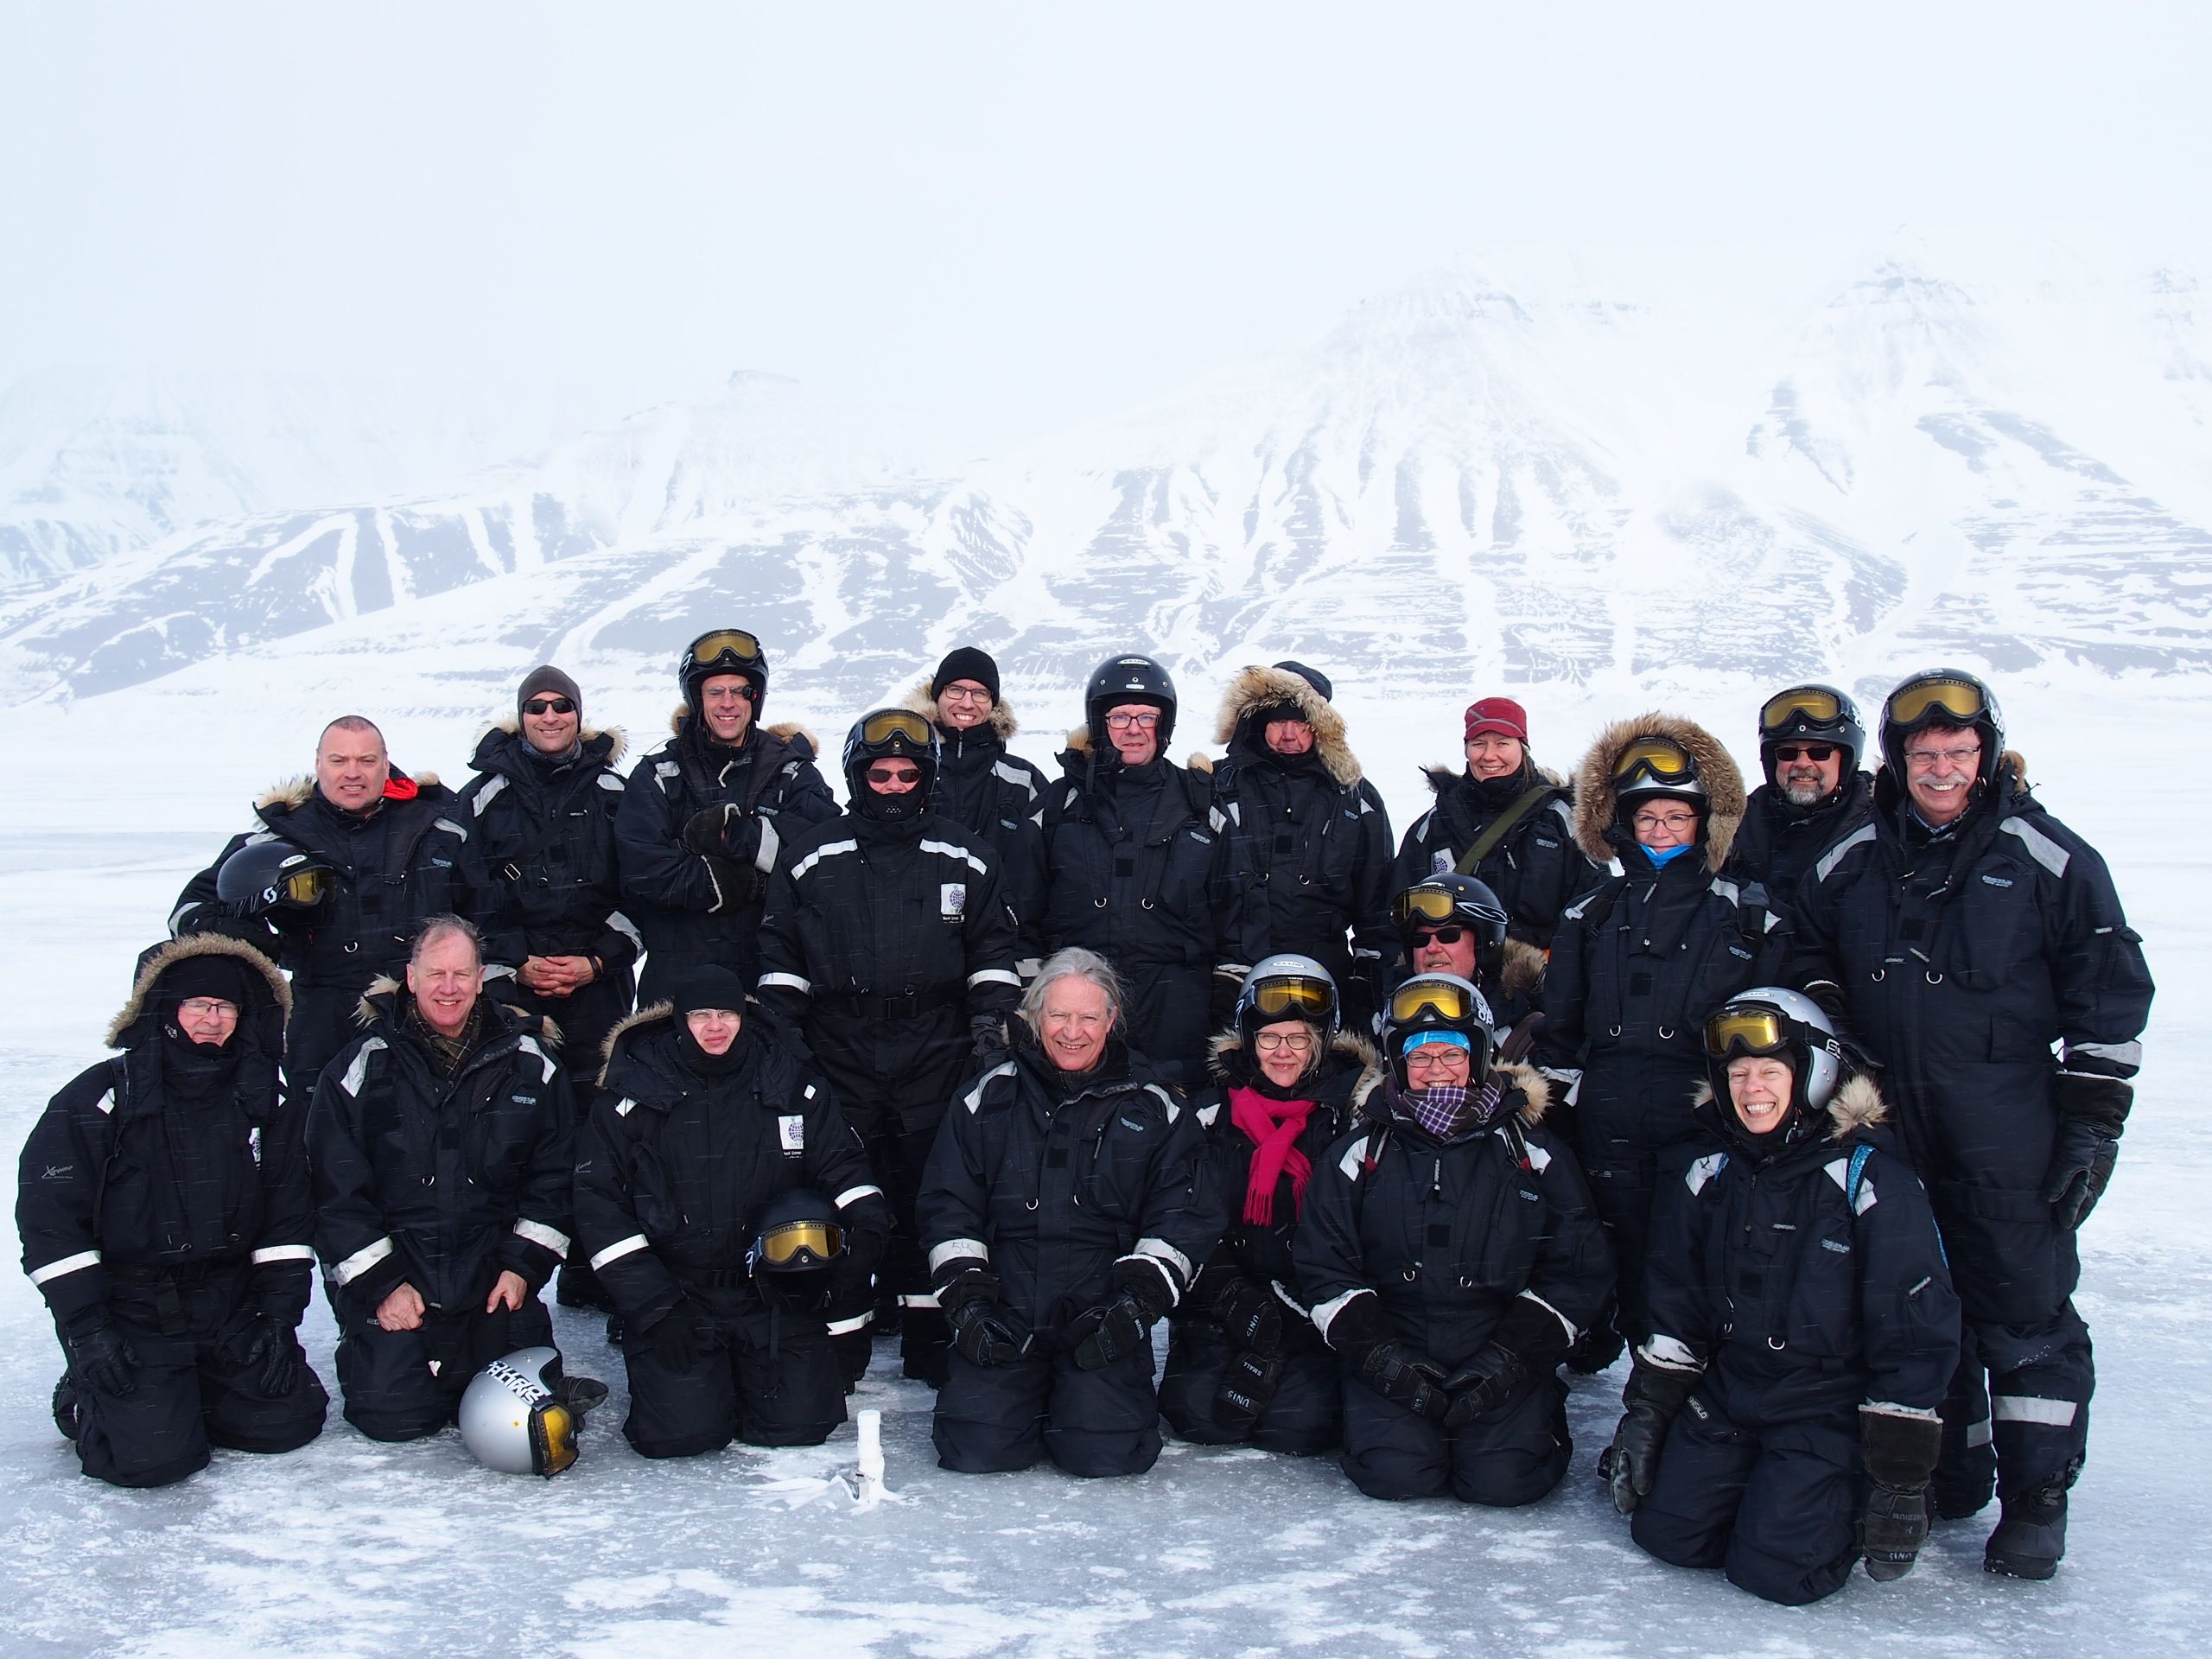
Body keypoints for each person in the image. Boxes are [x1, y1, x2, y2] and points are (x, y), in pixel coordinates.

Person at [1789, 670, 2152, 1578]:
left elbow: (2108, 994)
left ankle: (2036, 1495)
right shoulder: (1855, 853)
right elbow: (1803, 946)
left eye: (1958, 753)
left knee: (2022, 1308)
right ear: (1895, 760)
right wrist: (1830, 1008)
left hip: (2006, 1125)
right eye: (1923, 755)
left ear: (1985, 755)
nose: (1941, 770)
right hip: (1890, 1120)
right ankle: (1954, 1459)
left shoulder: (2046, 855)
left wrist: (2094, 1119)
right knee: (1912, 1300)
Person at [1608, 988, 1961, 1605]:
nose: (1751, 1089)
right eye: (1737, 1074)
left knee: (1777, 1574)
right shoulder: (1707, 1171)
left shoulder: (1869, 1179)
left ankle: (1836, 1497)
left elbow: (1915, 1327)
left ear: (1815, 1075)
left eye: (1770, 1071)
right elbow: (1675, 1301)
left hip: (1825, 1404)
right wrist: (1647, 1415)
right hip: (1733, 1390)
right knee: (1669, 1536)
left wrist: (1899, 1481)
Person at [755, 707, 1021, 1384]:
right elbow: (781, 959)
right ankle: (844, 1334)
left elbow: (993, 955)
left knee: (932, 1195)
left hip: (936, 1049)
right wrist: (787, 1042)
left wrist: (989, 1033)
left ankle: (933, 1335)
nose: (896, 784)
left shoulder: (966, 854)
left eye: (909, 774)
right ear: (858, 775)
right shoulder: (814, 856)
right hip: (840, 1049)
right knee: (848, 1191)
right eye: (882, 773)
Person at [17, 937, 327, 1487]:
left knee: (285, 1423)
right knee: (152, 1460)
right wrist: (89, 1330)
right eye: (197, 1005)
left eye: (225, 1006)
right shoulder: (100, 1097)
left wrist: (279, 1318)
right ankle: (91, 1394)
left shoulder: (267, 1101)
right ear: (165, 1008)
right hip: (133, 1304)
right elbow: (50, 1223)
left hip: (227, 1300)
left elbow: (287, 1219)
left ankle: (187, 1389)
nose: (212, 1020)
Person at [1294, 973, 1610, 1504]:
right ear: (1399, 1063)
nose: (1435, 1069)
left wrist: (1512, 1358)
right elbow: (1323, 1259)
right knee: (1395, 1475)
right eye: (1419, 1057)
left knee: (1505, 1482)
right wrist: (1378, 1356)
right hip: (1398, 1337)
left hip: (1499, 1338)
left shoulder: (1531, 1150)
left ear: (1479, 1056)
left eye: (1451, 1054)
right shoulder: (1361, 1150)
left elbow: (1578, 1262)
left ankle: (1532, 1407)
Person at [916, 948, 1224, 1478]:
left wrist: (1134, 1308)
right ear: (1035, 1019)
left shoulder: (1156, 1106)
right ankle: (1022, 1395)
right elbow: (948, 1205)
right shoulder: (985, 1098)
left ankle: (1070, 1398)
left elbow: (1184, 1214)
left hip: (1099, 1312)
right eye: (1058, 1015)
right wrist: (967, 1304)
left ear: (1112, 1021)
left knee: (1105, 1455)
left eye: (1088, 1017)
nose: (1071, 1032)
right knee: (977, 1449)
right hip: (1006, 1307)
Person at [1539, 714, 1781, 1362]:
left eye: (1676, 818)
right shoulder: (1590, 913)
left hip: (1703, 1116)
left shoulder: (1747, 911)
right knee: (1606, 1245)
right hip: (1609, 1113)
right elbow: (1560, 1030)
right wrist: (1557, 1107)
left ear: (1705, 822)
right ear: (1621, 825)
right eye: (1647, 820)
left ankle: (1678, 1390)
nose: (1661, 831)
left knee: (1693, 1260)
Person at [575, 967, 893, 1457]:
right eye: (701, 1015)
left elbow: (843, 1167)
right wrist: (656, 1309)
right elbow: (600, 1209)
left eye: (726, 1014)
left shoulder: (794, 1086)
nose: (715, 1027)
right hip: (680, 1293)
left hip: (773, 1289)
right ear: (679, 1021)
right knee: (680, 1437)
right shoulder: (629, 1098)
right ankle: (704, 1382)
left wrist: (866, 1231)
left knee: (799, 1427)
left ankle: (754, 1376)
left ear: (744, 1017)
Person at [308, 916, 594, 1441]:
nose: (449, 987)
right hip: (402, 1272)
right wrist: (383, 1285)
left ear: (481, 978)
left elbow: (556, 1179)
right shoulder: (361, 1067)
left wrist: (521, 1269)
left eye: (461, 974)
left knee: (521, 1413)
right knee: (394, 1418)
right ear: (410, 977)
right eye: (435, 973)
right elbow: (334, 1190)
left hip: (492, 1277)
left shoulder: (532, 1064)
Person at [451, 665, 639, 1311]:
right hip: (512, 993)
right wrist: (514, 963)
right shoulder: (482, 798)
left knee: (603, 1128)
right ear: (521, 715)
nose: (551, 716)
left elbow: (645, 889)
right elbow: (465, 897)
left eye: (563, 706)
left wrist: (597, 961)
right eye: (538, 706)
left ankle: (596, 1266)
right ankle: (508, 1274)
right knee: (512, 1126)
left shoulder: (621, 792)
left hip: (599, 991)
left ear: (579, 716)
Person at [171, 715, 465, 1096]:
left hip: (424, 1011)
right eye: (339, 761)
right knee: (315, 1135)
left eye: (367, 761)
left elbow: (490, 916)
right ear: (318, 764)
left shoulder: (439, 828)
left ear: (386, 762)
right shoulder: (283, 834)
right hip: (319, 1018)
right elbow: (189, 912)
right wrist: (260, 942)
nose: (353, 773)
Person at [1161, 956, 1373, 1454]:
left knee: (1298, 1429)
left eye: (1298, 1038)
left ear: (1320, 1042)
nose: (1283, 1052)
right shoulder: (1211, 1113)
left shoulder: (1352, 1116)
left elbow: (1364, 1225)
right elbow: (1182, 1211)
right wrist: (1231, 1296)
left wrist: (1294, 1320)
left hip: (1314, 1306)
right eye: (1269, 1038)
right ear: (1249, 1040)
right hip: (1226, 1301)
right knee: (1199, 1417)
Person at [1039, 654, 1245, 1079]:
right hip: (1082, 1005)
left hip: (1177, 1007)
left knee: (1173, 1120)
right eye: (1119, 717)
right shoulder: (1060, 804)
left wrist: (1226, 990)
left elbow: (1238, 908)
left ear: (1163, 725)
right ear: (1099, 724)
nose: (1133, 729)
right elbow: (1021, 906)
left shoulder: (1199, 805)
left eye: (1146, 716)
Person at [615, 629, 837, 1001]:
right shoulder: (660, 774)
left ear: (756, 698)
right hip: (677, 974)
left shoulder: (792, 770)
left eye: (740, 691)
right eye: (715, 692)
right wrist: (741, 882)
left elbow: (822, 853)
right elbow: (643, 870)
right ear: (697, 699)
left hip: (772, 969)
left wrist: (744, 837)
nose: (727, 704)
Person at [1205, 662, 1396, 1029]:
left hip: (1326, 975)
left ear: (1321, 727)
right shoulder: (1216, 787)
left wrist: (1368, 977)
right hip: (1229, 974)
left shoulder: (1355, 797)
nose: (1290, 735)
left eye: (1303, 723)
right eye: (1278, 722)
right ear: (1257, 721)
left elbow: (1377, 903)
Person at [1393, 697, 1599, 950]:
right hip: (1451, 979)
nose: (1489, 756)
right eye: (1478, 744)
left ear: (1522, 747)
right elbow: (1396, 914)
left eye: (1502, 743)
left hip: (1537, 979)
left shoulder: (1562, 819)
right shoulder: (1434, 824)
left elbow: (1593, 910)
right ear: (1466, 749)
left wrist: (1561, 972)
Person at [904, 646, 1051, 979]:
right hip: (915, 953)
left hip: (1004, 957)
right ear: (937, 696)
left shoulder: (1022, 780)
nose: (967, 703)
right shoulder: (908, 772)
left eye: (980, 693)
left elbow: (1051, 872)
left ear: (993, 703)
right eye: (956, 690)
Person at [1727, 685, 1875, 916]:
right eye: (1788, 753)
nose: (1803, 763)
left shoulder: (1877, 828)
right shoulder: (1737, 827)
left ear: (1845, 760)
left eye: (1819, 752)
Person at [1388, 874, 1548, 1050]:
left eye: (1448, 936)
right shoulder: (1385, 1018)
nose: (1432, 948)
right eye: (1420, 939)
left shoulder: (1531, 1024)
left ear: (1484, 943)